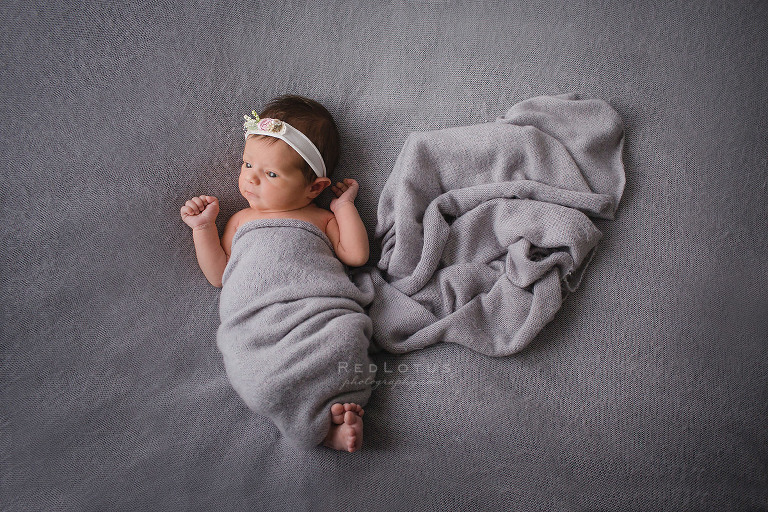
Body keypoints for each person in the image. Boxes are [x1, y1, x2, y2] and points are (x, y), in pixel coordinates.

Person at [180, 95, 369, 452]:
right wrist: (203, 229)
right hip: (256, 325)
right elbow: (220, 275)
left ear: (314, 187)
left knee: (344, 339)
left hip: (316, 315)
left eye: (270, 174)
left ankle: (338, 412)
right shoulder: (240, 220)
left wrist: (344, 208)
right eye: (247, 163)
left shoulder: (321, 218)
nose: (250, 179)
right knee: (263, 383)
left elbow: (356, 256)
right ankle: (317, 426)